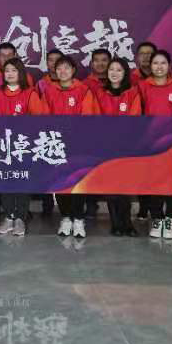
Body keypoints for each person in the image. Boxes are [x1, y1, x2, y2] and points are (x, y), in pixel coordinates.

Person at [138, 50, 172, 241]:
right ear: (150, 66)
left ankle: (169, 219)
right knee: (154, 183)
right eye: (155, 63)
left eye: (163, 63)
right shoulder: (143, 86)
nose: (159, 67)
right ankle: (157, 219)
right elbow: (137, 112)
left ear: (169, 66)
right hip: (152, 144)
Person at [44, 55, 98, 238]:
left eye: (66, 68)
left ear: (73, 70)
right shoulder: (49, 91)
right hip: (57, 144)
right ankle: (66, 217)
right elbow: (44, 117)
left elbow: (87, 117)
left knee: (78, 183)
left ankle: (79, 219)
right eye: (59, 68)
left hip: (78, 144)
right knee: (61, 183)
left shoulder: (83, 90)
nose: (63, 71)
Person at [0, 59, 47, 236]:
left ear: (21, 73)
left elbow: (38, 120)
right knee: (6, 181)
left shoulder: (30, 93)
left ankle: (21, 218)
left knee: (22, 180)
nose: (9, 74)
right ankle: (9, 216)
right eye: (7, 70)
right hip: (3, 146)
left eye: (14, 70)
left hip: (23, 146)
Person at [95, 58, 142, 237]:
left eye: (119, 70)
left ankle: (127, 223)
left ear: (125, 73)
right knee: (110, 187)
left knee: (125, 187)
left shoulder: (133, 93)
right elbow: (95, 118)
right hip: (105, 146)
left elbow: (135, 120)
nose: (114, 73)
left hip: (126, 147)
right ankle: (115, 223)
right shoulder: (100, 93)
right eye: (111, 69)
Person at [82, 49, 112, 219]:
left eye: (104, 60)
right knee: (90, 172)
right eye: (97, 60)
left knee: (113, 172)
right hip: (91, 134)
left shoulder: (118, 80)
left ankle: (116, 212)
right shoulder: (84, 84)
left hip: (114, 134)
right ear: (91, 63)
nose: (100, 64)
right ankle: (91, 206)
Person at [132, 41, 157, 221]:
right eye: (143, 53)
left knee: (156, 172)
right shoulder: (130, 78)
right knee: (141, 172)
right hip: (138, 132)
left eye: (150, 53)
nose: (146, 57)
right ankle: (143, 206)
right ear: (137, 57)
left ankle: (156, 211)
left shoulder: (164, 77)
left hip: (158, 132)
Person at [37, 49, 62, 216]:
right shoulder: (41, 83)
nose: (54, 63)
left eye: (57, 60)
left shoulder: (73, 84)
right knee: (47, 170)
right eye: (50, 60)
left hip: (67, 131)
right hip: (46, 133)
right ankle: (47, 204)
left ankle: (66, 207)